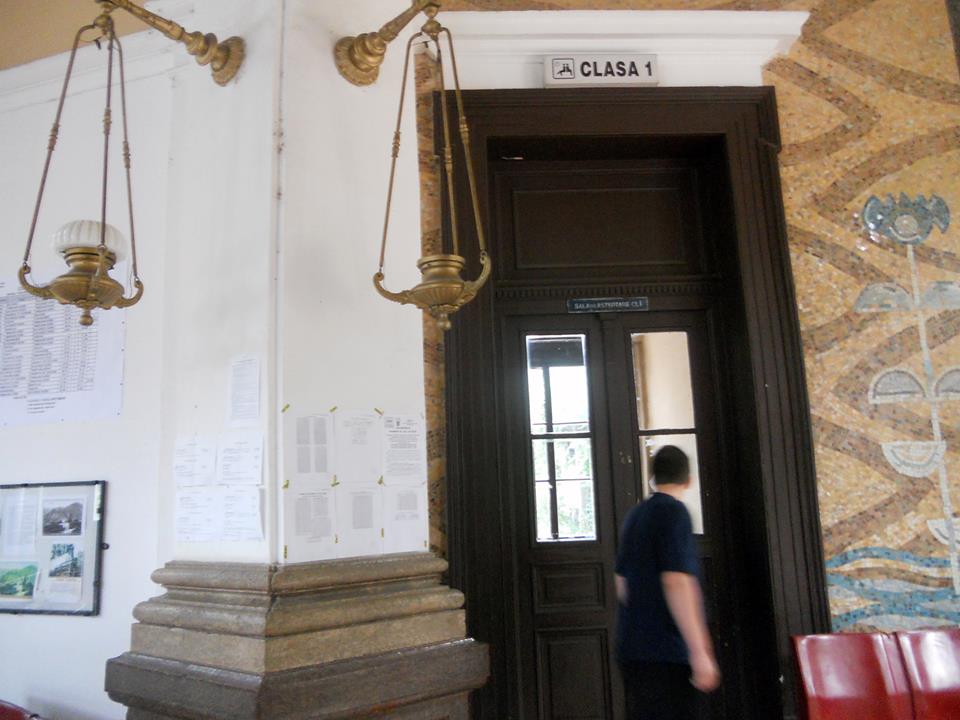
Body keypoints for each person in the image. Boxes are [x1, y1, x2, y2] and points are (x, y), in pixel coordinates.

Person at [615, 445, 720, 720]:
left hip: (632, 648)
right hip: (667, 652)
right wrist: (699, 651)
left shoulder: (635, 516)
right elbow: (677, 582)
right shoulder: (675, 513)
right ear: (688, 479)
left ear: (653, 477)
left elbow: (621, 584)